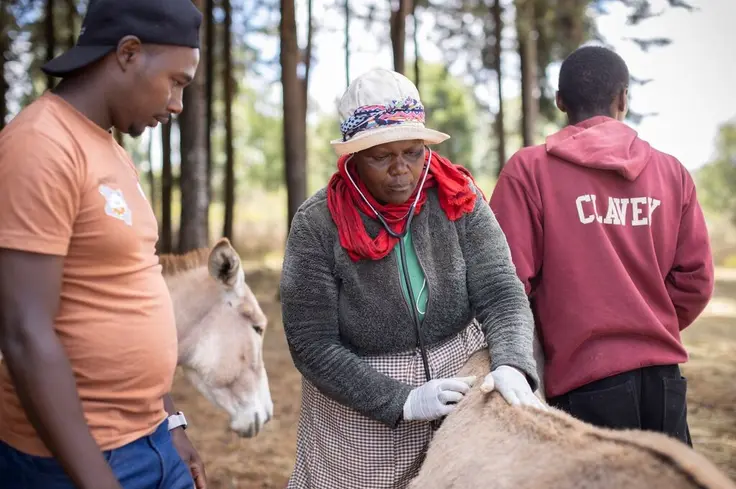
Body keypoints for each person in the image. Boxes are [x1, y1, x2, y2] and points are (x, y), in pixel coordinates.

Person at [280, 68, 546, 489]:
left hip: (460, 375)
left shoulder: (458, 197)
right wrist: (401, 399)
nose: (401, 169)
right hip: (360, 398)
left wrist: (512, 361)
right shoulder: (317, 224)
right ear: (352, 158)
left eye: (413, 151)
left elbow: (501, 290)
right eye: (382, 156)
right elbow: (311, 343)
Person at [0, 1, 209, 488]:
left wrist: (169, 421)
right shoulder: (40, 144)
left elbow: (128, 291)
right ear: (129, 53)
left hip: (150, 442)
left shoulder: (110, 150)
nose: (178, 104)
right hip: (73, 461)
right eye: (176, 81)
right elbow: (25, 333)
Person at [489, 45, 714, 446]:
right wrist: (645, 321)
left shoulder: (528, 171)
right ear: (623, 98)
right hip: (663, 382)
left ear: (559, 101)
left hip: (580, 382)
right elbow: (695, 281)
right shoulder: (672, 172)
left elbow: (505, 283)